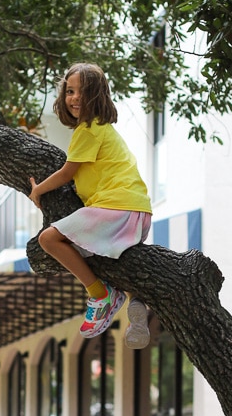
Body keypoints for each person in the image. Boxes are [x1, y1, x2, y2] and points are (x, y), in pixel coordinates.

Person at [29, 62, 152, 347]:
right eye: (70, 91)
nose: (74, 98)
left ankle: (100, 293)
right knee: (106, 255)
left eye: (82, 93)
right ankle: (137, 299)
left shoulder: (88, 130)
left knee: (49, 239)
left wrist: (38, 190)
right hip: (135, 212)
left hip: (117, 208)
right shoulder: (102, 129)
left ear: (96, 96)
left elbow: (66, 173)